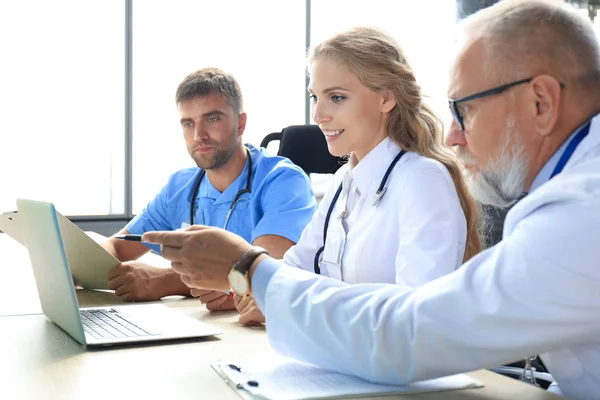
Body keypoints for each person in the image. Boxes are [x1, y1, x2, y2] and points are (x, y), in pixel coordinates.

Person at [144, 0, 600, 398]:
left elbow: (413, 332)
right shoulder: (346, 180)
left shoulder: (582, 213)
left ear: (541, 101)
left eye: (466, 109)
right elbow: (301, 270)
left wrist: (249, 270)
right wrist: (254, 285)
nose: (454, 134)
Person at [234, 27, 482, 325]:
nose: (318, 115)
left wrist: (294, 305)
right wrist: (247, 286)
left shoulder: (423, 180)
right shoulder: (343, 180)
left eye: (337, 97)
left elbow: (414, 314)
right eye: (315, 97)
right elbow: (296, 265)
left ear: (386, 99)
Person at [102, 68, 316, 310]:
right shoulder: (179, 187)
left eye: (212, 119)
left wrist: (165, 281)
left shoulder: (283, 181)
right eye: (188, 124)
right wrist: (74, 260)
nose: (199, 135)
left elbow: (267, 268)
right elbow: (118, 247)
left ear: (241, 123)